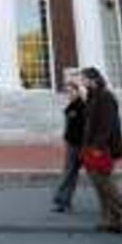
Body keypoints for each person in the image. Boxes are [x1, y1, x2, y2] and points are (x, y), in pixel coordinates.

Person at [78, 66, 122, 233]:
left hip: (102, 147)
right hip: (90, 146)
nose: (82, 82)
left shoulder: (106, 97)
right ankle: (110, 220)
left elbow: (108, 125)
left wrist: (98, 146)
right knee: (99, 184)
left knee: (104, 181)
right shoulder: (92, 97)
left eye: (83, 79)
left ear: (93, 79)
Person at [51, 76, 86, 212]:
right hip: (72, 144)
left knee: (98, 177)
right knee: (70, 173)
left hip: (80, 145)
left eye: (71, 91)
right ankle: (64, 201)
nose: (69, 94)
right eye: (67, 91)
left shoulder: (82, 106)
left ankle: (116, 203)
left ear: (78, 91)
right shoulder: (72, 105)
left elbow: (84, 126)